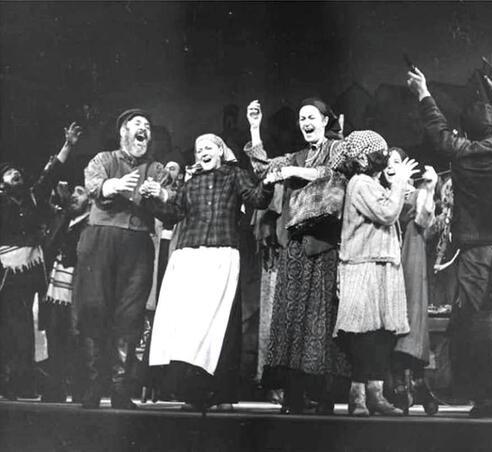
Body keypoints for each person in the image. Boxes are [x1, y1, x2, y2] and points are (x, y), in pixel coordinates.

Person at [407, 67, 492, 417]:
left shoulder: (462, 151)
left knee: (478, 317)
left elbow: (438, 130)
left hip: (475, 248)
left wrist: (424, 92)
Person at [140, 133, 274, 411]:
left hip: (222, 254)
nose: (203, 152)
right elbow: (172, 215)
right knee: (191, 328)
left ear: (221, 151)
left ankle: (222, 395)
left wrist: (270, 183)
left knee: (220, 325)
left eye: (209, 147)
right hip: (189, 256)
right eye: (199, 148)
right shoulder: (192, 183)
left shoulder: (234, 175)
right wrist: (151, 199)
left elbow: (258, 198)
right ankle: (194, 394)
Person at [244, 98, 350, 414]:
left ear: (324, 119)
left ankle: (325, 396)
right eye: (301, 118)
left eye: (311, 117)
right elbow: (265, 168)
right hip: (295, 245)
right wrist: (254, 128)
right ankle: (293, 393)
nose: (305, 122)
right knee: (291, 320)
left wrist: (293, 171)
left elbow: (334, 173)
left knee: (320, 318)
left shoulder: (337, 148)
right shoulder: (296, 155)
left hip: (325, 243)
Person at [74, 109, 170, 409]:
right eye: (137, 124)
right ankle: (93, 386)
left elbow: (175, 210)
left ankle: (119, 389)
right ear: (123, 132)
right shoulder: (104, 159)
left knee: (129, 315)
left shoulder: (156, 169)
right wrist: (109, 186)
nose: (145, 130)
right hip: (100, 238)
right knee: (94, 308)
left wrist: (162, 196)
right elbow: (92, 182)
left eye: (148, 126)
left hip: (138, 242)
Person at [332, 131, 417, 416]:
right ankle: (357, 396)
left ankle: (376, 394)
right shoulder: (359, 183)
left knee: (382, 334)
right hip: (363, 265)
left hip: (383, 264)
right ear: (365, 157)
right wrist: (401, 181)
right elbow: (388, 213)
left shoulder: (372, 183)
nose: (384, 157)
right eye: (380, 152)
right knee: (363, 335)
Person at [0, 122, 81, 400]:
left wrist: (68, 145)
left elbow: (51, 174)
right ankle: (11, 383)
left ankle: (35, 383)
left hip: (35, 270)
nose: (16, 175)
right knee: (13, 327)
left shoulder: (32, 197)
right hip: (8, 273)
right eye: (9, 174)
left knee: (39, 326)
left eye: (17, 172)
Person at [384, 147, 440, 415]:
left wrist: (429, 187)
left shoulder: (417, 194)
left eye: (396, 161)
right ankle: (397, 384)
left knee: (412, 318)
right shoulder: (379, 192)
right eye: (386, 162)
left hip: (411, 260)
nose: (390, 165)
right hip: (387, 261)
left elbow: (423, 219)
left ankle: (417, 381)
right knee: (389, 320)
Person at [40, 184, 91, 402]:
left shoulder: (91, 224)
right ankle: (55, 387)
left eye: (80, 192)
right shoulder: (63, 220)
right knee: (55, 334)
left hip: (78, 288)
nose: (74, 196)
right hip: (55, 288)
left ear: (90, 199)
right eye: (73, 192)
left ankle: (80, 388)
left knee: (77, 338)